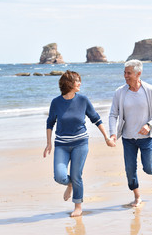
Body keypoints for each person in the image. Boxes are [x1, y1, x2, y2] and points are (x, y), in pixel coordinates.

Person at [43, 70, 114, 217]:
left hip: (80, 144)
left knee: (77, 176)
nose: (80, 83)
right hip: (61, 145)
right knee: (59, 176)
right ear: (69, 84)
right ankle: (69, 184)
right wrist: (48, 143)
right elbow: (50, 123)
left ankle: (78, 206)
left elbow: (96, 119)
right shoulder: (56, 102)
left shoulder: (83, 100)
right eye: (77, 81)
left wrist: (106, 137)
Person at [108, 59, 152, 207]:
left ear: (138, 73)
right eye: (124, 72)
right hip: (128, 139)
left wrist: (149, 124)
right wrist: (113, 134)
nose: (125, 76)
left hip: (146, 138)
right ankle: (137, 196)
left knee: (148, 168)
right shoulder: (120, 93)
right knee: (129, 169)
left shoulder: (150, 90)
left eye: (129, 73)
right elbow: (113, 114)